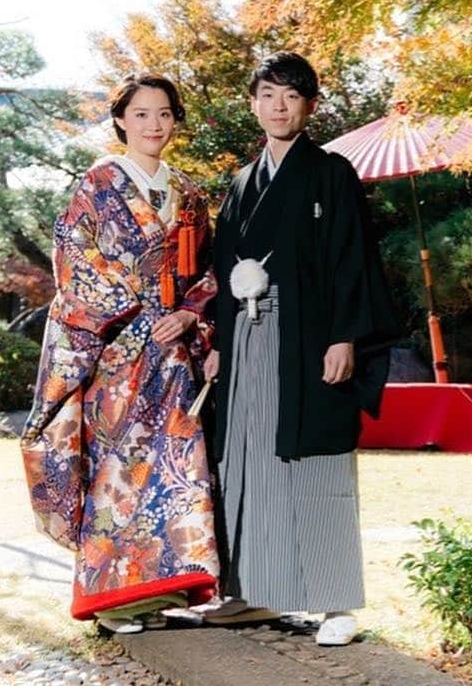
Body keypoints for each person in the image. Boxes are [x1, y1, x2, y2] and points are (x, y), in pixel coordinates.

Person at [202, 51, 396, 646]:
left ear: (310, 105)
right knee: (245, 462)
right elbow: (220, 269)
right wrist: (216, 339)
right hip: (246, 339)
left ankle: (335, 602)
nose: (277, 106)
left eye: (290, 95)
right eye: (267, 94)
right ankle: (252, 591)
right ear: (254, 103)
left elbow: (352, 259)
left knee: (314, 459)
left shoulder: (331, 172)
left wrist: (345, 337)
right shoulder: (241, 182)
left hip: (309, 337)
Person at [20, 73, 220, 634]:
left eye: (163, 114)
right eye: (141, 115)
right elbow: (76, 258)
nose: (153, 125)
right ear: (120, 121)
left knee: (176, 472)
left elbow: (207, 271)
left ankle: (168, 588)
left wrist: (190, 314)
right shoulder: (100, 183)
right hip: (117, 351)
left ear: (175, 120)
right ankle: (109, 601)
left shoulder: (190, 194)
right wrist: (136, 308)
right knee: (116, 473)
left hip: (173, 353)